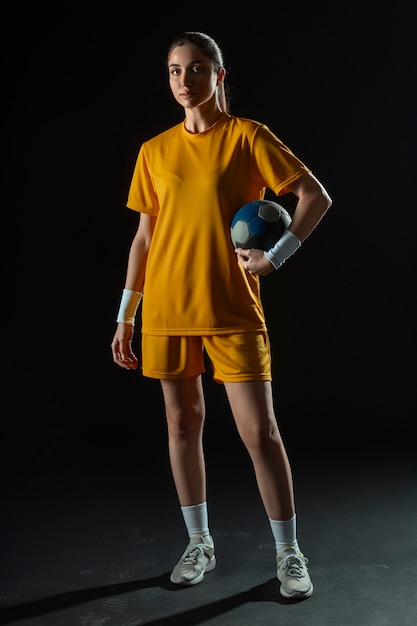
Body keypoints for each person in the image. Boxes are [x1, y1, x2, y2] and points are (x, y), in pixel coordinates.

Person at [111, 31, 332, 600]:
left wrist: (275, 257)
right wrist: (125, 316)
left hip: (231, 307)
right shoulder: (153, 150)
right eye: (174, 71)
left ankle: (289, 553)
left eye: (196, 68)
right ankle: (199, 542)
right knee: (182, 426)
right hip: (165, 309)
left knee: (260, 433)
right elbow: (143, 239)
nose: (184, 81)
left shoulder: (247, 136)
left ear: (219, 75)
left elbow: (314, 196)